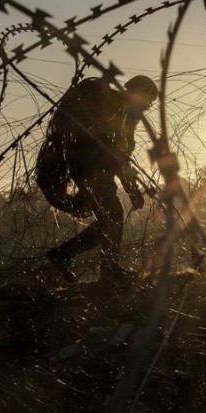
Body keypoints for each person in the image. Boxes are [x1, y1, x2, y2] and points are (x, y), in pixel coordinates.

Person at [39, 75, 158, 283]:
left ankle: (65, 254)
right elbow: (115, 151)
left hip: (96, 170)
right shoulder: (113, 106)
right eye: (147, 101)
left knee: (109, 219)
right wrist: (130, 186)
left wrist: (131, 188)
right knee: (112, 215)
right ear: (137, 92)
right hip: (91, 170)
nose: (147, 107)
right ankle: (107, 271)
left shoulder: (125, 114)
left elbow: (121, 156)